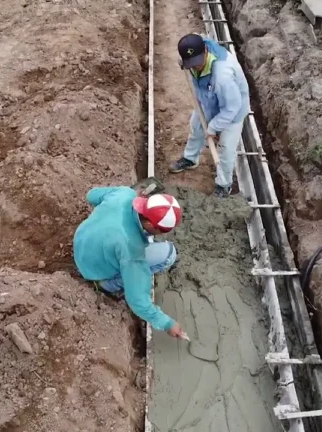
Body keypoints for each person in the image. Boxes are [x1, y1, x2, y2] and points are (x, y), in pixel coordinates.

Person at [73, 186, 188, 339]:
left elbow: (91, 195)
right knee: (169, 254)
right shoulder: (132, 249)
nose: (163, 233)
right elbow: (137, 300)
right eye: (162, 230)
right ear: (149, 224)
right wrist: (167, 323)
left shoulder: (125, 193)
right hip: (95, 272)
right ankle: (106, 285)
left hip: (81, 246)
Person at [169, 33, 250, 198]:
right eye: (190, 64)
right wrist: (184, 64)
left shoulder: (223, 76)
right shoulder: (196, 50)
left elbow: (231, 107)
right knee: (196, 127)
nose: (195, 67)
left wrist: (214, 127)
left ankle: (224, 185)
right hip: (208, 100)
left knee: (225, 150)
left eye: (197, 63)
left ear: (205, 50)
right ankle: (190, 159)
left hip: (232, 112)